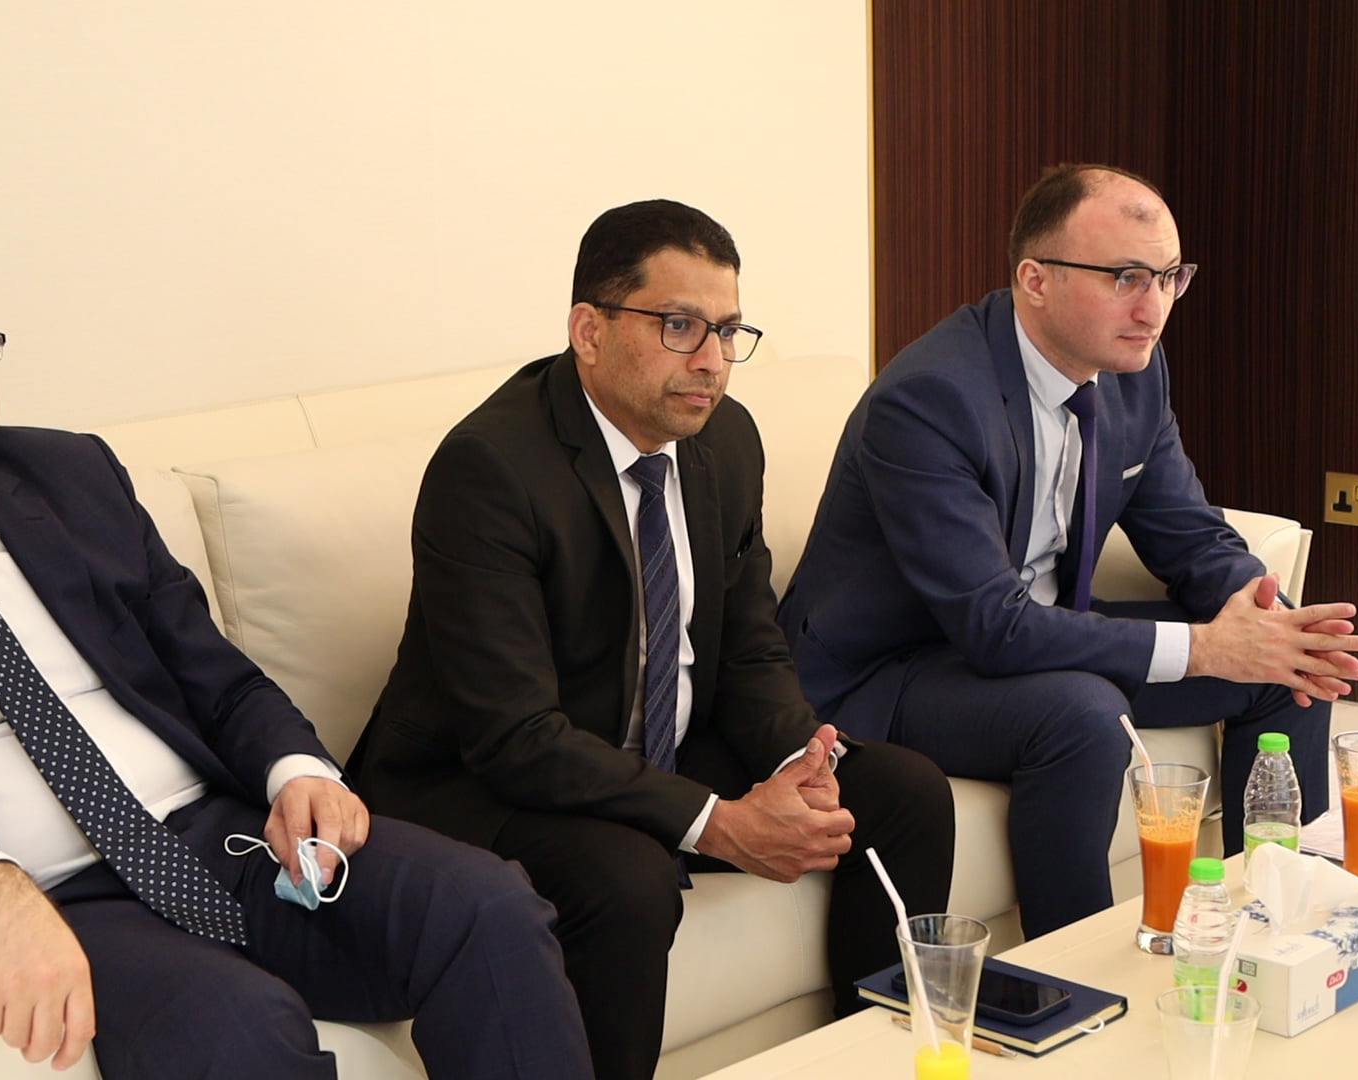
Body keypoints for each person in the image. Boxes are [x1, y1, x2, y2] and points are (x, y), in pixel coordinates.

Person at [0, 233, 591, 1080]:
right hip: (57, 895)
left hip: (224, 837)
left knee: (490, 907)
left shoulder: (68, 476)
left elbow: (208, 666)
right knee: (237, 1029)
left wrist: (296, 767)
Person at [347, 199, 956, 1080]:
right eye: (679, 326)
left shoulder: (725, 440)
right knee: (627, 879)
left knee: (903, 793)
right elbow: (516, 737)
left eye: (728, 331)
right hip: (479, 780)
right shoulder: (490, 468)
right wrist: (718, 824)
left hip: (653, 745)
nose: (711, 361)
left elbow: (749, 647)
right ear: (589, 331)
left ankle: (868, 1062)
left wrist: (801, 760)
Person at [777, 164, 1358, 940]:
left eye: (1169, 277)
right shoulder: (930, 398)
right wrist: (1204, 647)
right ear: (1036, 280)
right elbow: (993, 626)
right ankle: (1068, 977)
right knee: (1083, 714)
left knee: (1288, 661)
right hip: (893, 670)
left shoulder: (1132, 370)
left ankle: (1277, 924)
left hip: (1034, 634)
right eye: (1126, 278)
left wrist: (1255, 612)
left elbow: (1188, 531)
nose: (1153, 307)